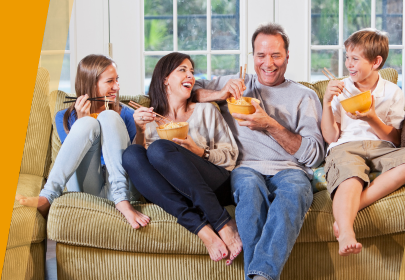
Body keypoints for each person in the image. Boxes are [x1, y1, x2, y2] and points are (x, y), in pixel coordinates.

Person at [193, 23, 325, 280]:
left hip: (290, 171)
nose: (268, 63)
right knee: (250, 192)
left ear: (287, 57)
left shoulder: (304, 96)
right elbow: (190, 89)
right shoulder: (238, 85)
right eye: (261, 55)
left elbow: (315, 154)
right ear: (252, 57)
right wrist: (220, 93)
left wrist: (271, 125)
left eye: (276, 55)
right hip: (246, 168)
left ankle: (258, 276)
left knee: (296, 191)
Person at [121, 52, 243, 265]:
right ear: (165, 79)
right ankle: (203, 229)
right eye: (182, 70)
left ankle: (223, 222)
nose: (190, 76)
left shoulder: (206, 111)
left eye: (192, 72)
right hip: (173, 192)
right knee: (131, 153)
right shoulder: (149, 119)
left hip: (213, 182)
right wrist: (140, 130)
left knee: (160, 149)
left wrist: (199, 151)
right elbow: (139, 170)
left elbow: (231, 157)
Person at [16, 54, 150, 229]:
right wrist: (82, 122)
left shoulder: (127, 113)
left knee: (109, 116)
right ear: (91, 83)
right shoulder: (63, 117)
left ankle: (122, 201)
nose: (116, 87)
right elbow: (71, 159)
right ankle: (48, 196)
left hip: (124, 186)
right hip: (88, 185)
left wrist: (141, 130)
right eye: (110, 81)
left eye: (117, 80)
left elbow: (137, 159)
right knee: (88, 123)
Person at [321, 28, 405, 256]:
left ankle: (350, 211)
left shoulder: (392, 91)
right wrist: (327, 103)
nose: (348, 64)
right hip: (345, 147)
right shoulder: (340, 89)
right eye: (347, 57)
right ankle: (345, 231)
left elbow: (394, 139)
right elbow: (331, 137)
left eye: (355, 59)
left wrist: (372, 117)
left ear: (376, 62)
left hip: (381, 148)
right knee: (351, 175)